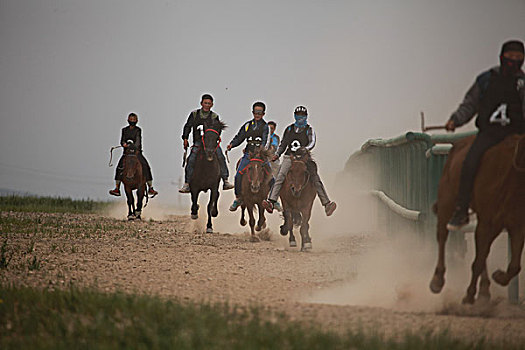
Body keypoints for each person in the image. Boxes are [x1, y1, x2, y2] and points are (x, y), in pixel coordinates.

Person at [446, 39, 525, 230]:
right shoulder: (486, 79)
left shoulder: (523, 84)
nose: (513, 61)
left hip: (517, 136)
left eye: (518, 58)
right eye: (510, 57)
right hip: (489, 133)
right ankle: (462, 208)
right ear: (501, 57)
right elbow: (470, 104)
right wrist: (456, 120)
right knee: (470, 161)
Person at [262, 106, 337, 216]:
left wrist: (305, 149)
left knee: (315, 178)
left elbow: (312, 142)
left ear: (306, 116)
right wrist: (277, 154)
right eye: (298, 115)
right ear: (295, 116)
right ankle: (271, 201)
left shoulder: (309, 130)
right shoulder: (289, 129)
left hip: (304, 158)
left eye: (302, 116)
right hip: (289, 157)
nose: (300, 118)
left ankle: (326, 204)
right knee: (280, 176)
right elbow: (283, 143)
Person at [179, 94, 234, 193]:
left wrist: (215, 139)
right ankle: (187, 183)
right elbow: (188, 126)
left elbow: (218, 129)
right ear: (201, 103)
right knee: (191, 159)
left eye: (209, 103)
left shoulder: (214, 116)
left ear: (212, 104)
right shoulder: (194, 114)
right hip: (198, 142)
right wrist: (185, 138)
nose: (207, 105)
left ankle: (225, 180)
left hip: (211, 143)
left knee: (221, 157)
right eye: (205, 103)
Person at [226, 101, 273, 211]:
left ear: (263, 114)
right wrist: (232, 144)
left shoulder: (266, 127)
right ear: (252, 112)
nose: (257, 114)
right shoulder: (247, 126)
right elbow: (239, 137)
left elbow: (266, 141)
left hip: (261, 157)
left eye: (260, 112)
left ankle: (271, 200)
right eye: (256, 112)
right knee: (238, 175)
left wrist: (262, 151)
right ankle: (238, 198)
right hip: (248, 155)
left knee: (272, 178)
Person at [109, 112, 158, 197]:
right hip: (126, 153)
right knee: (119, 167)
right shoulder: (124, 130)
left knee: (146, 165)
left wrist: (132, 146)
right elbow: (122, 140)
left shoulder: (138, 130)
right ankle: (117, 188)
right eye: (131, 119)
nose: (132, 121)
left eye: (134, 119)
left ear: (137, 121)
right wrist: (123, 144)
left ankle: (150, 187)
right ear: (128, 120)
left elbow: (138, 142)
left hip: (137, 153)